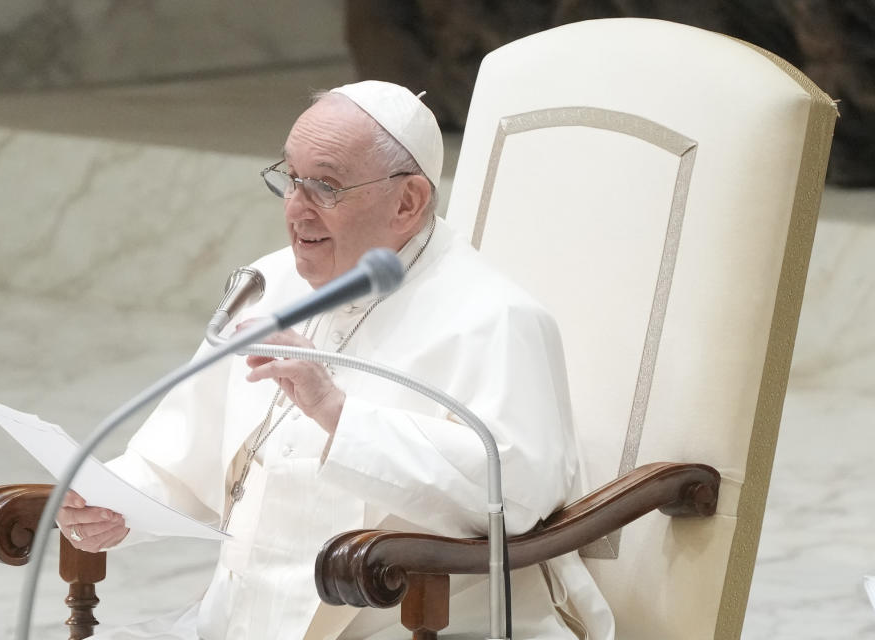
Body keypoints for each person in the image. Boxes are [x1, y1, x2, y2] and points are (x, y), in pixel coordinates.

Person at [56, 80, 615, 639]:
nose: (295, 210)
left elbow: (515, 495)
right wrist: (113, 503)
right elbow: (183, 451)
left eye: (324, 186)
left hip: (418, 628)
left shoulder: (498, 319)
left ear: (407, 202)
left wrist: (336, 411)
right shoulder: (268, 283)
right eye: (290, 179)